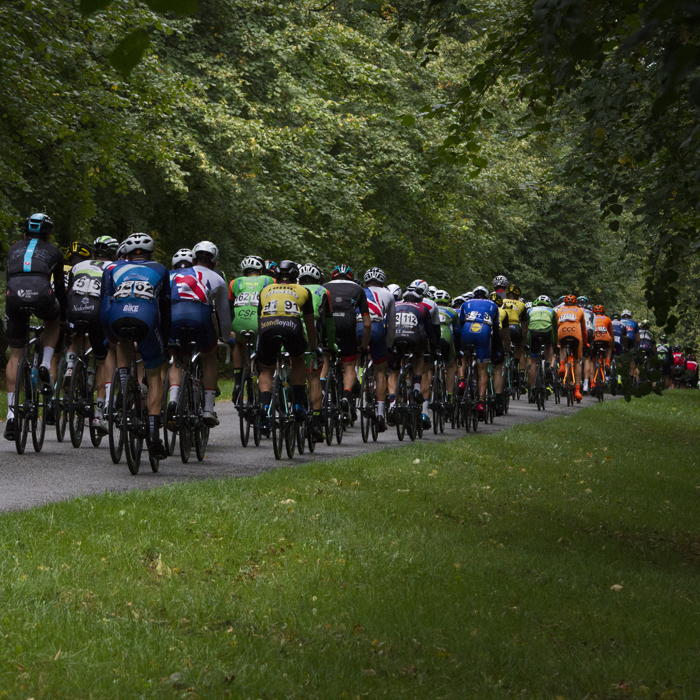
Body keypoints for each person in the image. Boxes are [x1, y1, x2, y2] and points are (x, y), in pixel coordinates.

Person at [102, 232, 171, 460]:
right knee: (154, 376)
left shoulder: (112, 269)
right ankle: (153, 433)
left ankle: (123, 385)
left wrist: (108, 335)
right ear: (150, 253)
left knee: (122, 340)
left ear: (126, 254)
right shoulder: (161, 269)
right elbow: (165, 309)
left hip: (117, 318)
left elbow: (105, 305)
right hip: (146, 319)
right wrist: (166, 339)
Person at [4, 213, 67, 441]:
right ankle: (44, 362)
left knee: (15, 356)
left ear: (24, 233)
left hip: (13, 296)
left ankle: (11, 415)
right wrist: (64, 315)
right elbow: (59, 287)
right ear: (48, 236)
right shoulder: (55, 252)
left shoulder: (12, 249)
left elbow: (9, 278)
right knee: (53, 321)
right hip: (42, 294)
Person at [166, 241, 232, 428]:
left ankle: (173, 399)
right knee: (209, 357)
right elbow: (224, 316)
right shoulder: (218, 278)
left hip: (175, 316)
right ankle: (208, 408)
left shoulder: (172, 274)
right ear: (215, 262)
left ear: (193, 259)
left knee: (178, 356)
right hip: (201, 317)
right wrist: (226, 339)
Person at [65, 236, 119, 433]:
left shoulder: (78, 266)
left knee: (75, 335)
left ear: (95, 253)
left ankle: (70, 365)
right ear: (114, 254)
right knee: (103, 360)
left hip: (75, 311)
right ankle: (99, 414)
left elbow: (69, 292)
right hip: (97, 314)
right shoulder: (115, 267)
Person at [257, 261, 319, 429]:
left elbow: (259, 320)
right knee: (297, 360)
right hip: (292, 326)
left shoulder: (265, 290)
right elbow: (310, 325)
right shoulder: (303, 291)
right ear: (295, 276)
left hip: (266, 327)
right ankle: (298, 404)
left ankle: (263, 408)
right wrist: (313, 349)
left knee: (266, 369)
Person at [323, 264, 370, 423]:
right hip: (347, 324)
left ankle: (322, 392)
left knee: (326, 357)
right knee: (349, 364)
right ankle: (346, 394)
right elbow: (367, 323)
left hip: (327, 324)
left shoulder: (323, 287)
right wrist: (363, 347)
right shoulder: (359, 289)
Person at [386, 285, 436, 424]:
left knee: (393, 371)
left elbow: (387, 325)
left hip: (395, 338)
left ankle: (392, 403)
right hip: (414, 339)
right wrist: (432, 349)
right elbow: (429, 333)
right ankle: (416, 388)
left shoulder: (395, 305)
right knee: (420, 356)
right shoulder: (422, 308)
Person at [229, 255, 275, 402]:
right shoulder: (269, 280)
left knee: (239, 343)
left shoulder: (234, 283)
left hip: (239, 322)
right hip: (259, 322)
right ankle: (263, 378)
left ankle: (237, 382)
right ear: (261, 270)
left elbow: (230, 308)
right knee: (264, 350)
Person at [299, 262, 332, 440]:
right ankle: (317, 422)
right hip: (311, 339)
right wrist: (331, 344)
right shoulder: (323, 291)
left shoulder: (294, 289)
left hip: (291, 336)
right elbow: (329, 323)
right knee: (314, 378)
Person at [360, 268, 396, 432]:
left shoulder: (359, 291)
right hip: (377, 328)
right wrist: (388, 346)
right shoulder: (388, 294)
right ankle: (380, 413)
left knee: (350, 360)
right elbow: (391, 325)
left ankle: (353, 383)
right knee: (380, 371)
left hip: (358, 327)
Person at [459, 286, 502, 420]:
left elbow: (460, 325)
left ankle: (461, 380)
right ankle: (481, 402)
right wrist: (496, 350)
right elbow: (496, 332)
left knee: (463, 355)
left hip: (467, 329)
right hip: (483, 331)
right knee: (482, 370)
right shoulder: (493, 305)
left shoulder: (465, 304)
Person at [556, 294, 587, 401]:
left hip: (562, 332)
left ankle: (562, 366)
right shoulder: (580, 310)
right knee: (577, 361)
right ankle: (577, 391)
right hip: (576, 333)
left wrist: (557, 342)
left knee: (562, 346)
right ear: (575, 303)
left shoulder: (560, 310)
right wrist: (586, 343)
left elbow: (557, 326)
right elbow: (584, 330)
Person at [434, 290, 461, 411]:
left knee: (426, 365)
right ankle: (449, 396)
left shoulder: (430, 309)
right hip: (446, 337)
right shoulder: (453, 312)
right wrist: (458, 351)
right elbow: (457, 333)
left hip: (433, 338)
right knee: (450, 366)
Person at [527, 295, 557, 402]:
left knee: (534, 362)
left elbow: (526, 327)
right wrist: (554, 342)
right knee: (548, 346)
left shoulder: (530, 310)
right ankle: (548, 365)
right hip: (547, 331)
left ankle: (532, 390)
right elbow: (554, 328)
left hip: (533, 333)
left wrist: (528, 343)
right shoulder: (552, 311)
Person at [502, 284, 528, 389]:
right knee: (518, 345)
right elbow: (525, 328)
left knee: (502, 344)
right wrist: (524, 341)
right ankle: (515, 364)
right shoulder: (521, 305)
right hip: (515, 327)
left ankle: (503, 365)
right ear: (518, 296)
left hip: (502, 328)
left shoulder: (501, 303)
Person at [489, 291, 510, 415]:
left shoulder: (484, 309)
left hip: (484, 334)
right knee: (498, 368)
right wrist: (508, 349)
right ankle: (497, 399)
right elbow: (506, 336)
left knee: (482, 366)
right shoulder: (503, 312)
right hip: (498, 336)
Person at [591, 304, 614, 392]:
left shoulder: (591, 318)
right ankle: (607, 362)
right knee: (609, 346)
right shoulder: (607, 319)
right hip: (605, 338)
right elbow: (611, 335)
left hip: (594, 339)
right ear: (603, 312)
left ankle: (592, 383)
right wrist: (612, 346)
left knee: (592, 360)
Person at [578, 296, 595, 393]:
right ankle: (585, 384)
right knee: (587, 359)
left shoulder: (575, 310)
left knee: (575, 358)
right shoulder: (591, 313)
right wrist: (591, 343)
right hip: (587, 332)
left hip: (577, 331)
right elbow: (593, 331)